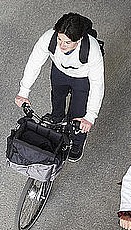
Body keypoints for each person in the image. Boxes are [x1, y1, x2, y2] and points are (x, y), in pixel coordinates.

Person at [15, 12, 105, 162]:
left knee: (78, 114)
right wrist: (23, 91)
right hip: (59, 71)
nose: (62, 45)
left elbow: (97, 85)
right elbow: (34, 63)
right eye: (60, 39)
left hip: (82, 78)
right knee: (57, 98)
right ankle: (57, 117)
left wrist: (90, 117)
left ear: (79, 39)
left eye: (68, 42)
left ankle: (77, 142)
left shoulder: (91, 50)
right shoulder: (49, 38)